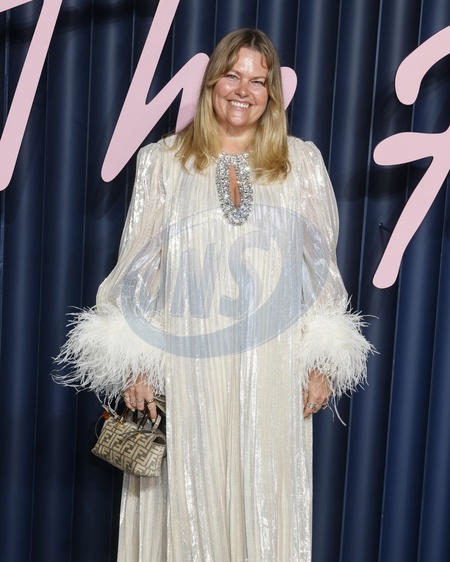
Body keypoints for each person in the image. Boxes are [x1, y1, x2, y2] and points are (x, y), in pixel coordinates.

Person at [56, 28, 373, 562]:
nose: (243, 90)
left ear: (271, 94)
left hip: (272, 368)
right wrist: (136, 363)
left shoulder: (301, 163)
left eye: (258, 80)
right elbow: (137, 268)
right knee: (184, 504)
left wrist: (322, 359)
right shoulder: (164, 160)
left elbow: (322, 270)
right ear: (211, 83)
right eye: (233, 75)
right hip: (185, 366)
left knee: (264, 505)